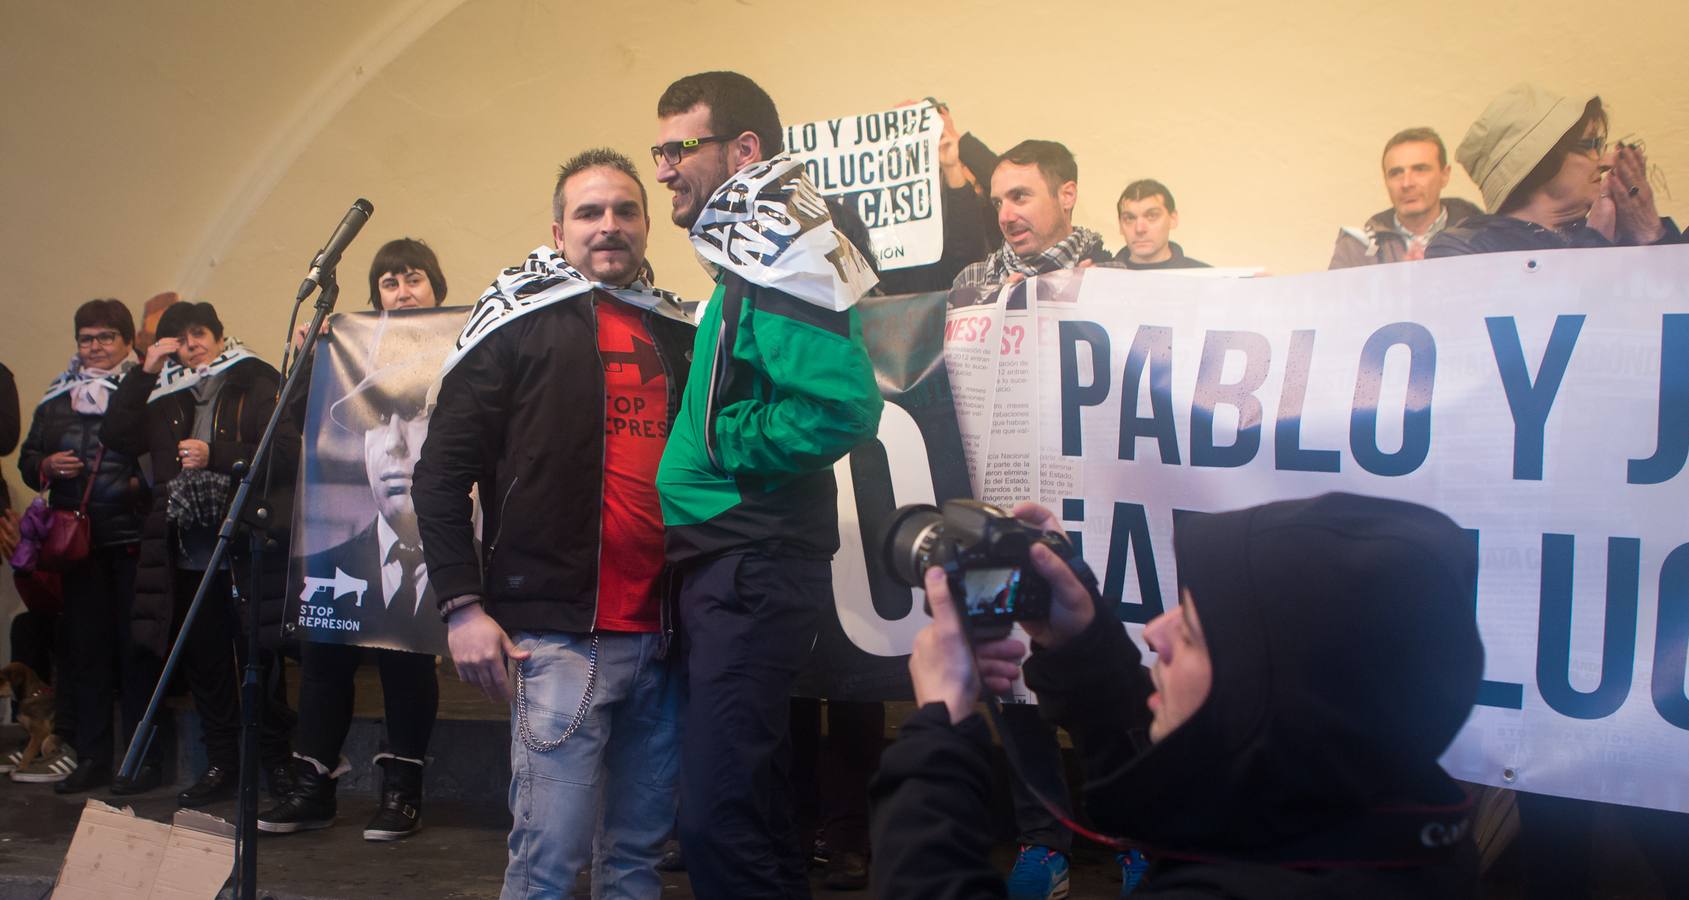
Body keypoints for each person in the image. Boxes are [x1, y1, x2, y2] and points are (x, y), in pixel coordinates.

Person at [871, 493, 1485, 898]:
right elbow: (1192, 787)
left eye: (1190, 634)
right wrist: (1081, 644)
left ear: (1263, 696)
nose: (1156, 633)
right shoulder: (1389, 818)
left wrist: (939, 729)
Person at [413, 147, 694, 899]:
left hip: (665, 641)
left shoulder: (681, 331)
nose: (610, 226)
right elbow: (440, 474)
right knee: (547, 868)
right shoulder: (514, 324)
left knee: (635, 865)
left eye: (625, 211)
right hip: (556, 642)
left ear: (645, 225)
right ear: (557, 230)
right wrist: (461, 606)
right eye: (590, 213)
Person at [652, 70, 883, 899]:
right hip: (729, 561)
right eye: (659, 150)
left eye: (681, 147)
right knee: (754, 804)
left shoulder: (779, 249)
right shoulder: (750, 257)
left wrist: (723, 442)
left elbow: (846, 409)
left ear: (744, 150)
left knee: (720, 819)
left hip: (746, 562)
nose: (664, 168)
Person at [260, 239, 449, 841]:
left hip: (433, 533)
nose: (402, 292)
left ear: (437, 290)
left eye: (413, 279)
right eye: (389, 283)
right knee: (324, 656)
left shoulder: (460, 347)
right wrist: (306, 363)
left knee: (407, 659)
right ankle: (314, 785)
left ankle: (402, 791)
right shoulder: (345, 352)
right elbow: (296, 428)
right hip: (351, 541)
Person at [102, 300, 298, 807]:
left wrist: (221, 456)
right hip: (186, 552)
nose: (191, 345)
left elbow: (287, 447)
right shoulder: (164, 392)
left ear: (217, 333)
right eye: (180, 338)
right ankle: (222, 764)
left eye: (198, 334)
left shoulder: (252, 377)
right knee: (208, 663)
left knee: (260, 660)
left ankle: (277, 762)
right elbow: (117, 437)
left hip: (248, 547)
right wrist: (145, 373)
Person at [11, 300, 157, 792]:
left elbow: (158, 455)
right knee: (87, 654)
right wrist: (46, 466)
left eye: (105, 338)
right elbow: (27, 459)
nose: (94, 348)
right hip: (77, 546)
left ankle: (141, 760)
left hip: (131, 539)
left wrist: (138, 490)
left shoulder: (146, 389)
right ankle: (93, 757)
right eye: (86, 339)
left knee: (136, 653)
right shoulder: (57, 398)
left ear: (126, 342)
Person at [1427, 85, 1679, 257]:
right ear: (1539, 161)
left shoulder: (1621, 232)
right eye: (1590, 145)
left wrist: (1650, 232)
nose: (1604, 160)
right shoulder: (1465, 248)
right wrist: (1596, 240)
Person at [952, 140, 1113, 293]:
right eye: (998, 203)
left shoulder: (1112, 276)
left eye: (1019, 196)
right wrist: (996, 312)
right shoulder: (971, 283)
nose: (1004, 217)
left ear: (1067, 196)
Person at [1329, 128, 1481, 267]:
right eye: (1396, 173)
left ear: (1444, 175)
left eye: (1420, 170)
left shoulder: (1480, 236)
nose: (1407, 183)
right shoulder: (1356, 249)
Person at [1114, 180, 1211, 269]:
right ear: (1120, 225)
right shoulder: (1102, 276)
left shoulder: (1206, 278)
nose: (1139, 229)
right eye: (1130, 218)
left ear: (1173, 219)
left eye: (1152, 216)